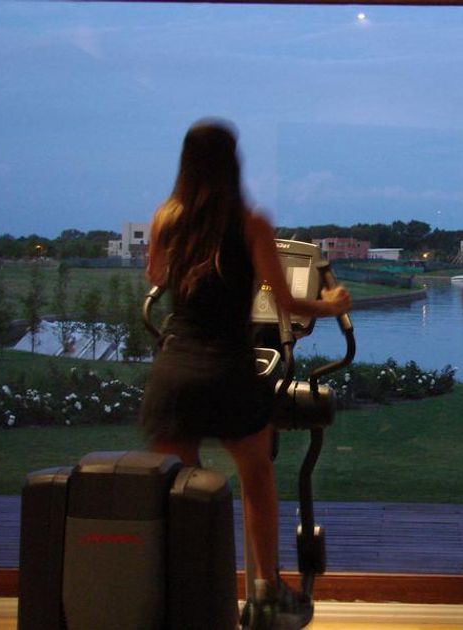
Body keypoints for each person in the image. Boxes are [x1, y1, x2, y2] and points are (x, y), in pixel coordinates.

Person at [139, 118, 351, 629]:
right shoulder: (250, 222)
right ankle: (265, 591)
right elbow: (284, 301)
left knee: (179, 490)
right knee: (256, 478)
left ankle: (186, 591)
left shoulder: (166, 217)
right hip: (227, 369)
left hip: (175, 373)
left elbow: (155, 276)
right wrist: (332, 304)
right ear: (232, 163)